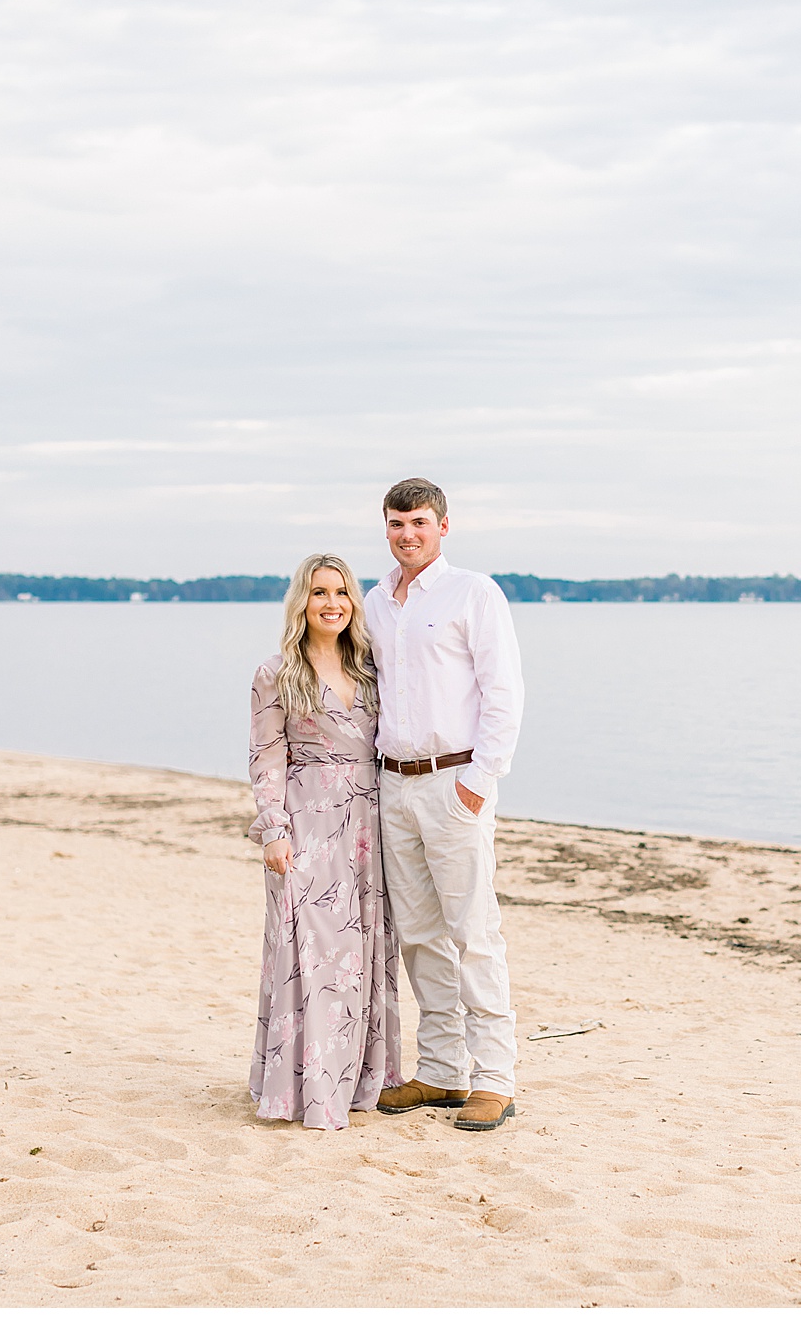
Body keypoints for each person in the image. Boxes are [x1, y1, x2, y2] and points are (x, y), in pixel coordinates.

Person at [366, 477, 525, 1132]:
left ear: (443, 527)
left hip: (453, 781)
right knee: (421, 934)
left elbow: (504, 692)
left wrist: (480, 782)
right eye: (398, 524)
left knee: (473, 931)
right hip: (393, 784)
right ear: (387, 528)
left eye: (420, 523)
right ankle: (440, 1072)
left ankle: (495, 1078)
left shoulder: (474, 593)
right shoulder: (376, 602)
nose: (409, 535)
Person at [247, 552, 402, 1130]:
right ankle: (301, 1089)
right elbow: (265, 756)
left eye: (341, 592)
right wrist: (274, 830)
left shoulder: (370, 669)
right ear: (301, 602)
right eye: (319, 593)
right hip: (306, 824)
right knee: (306, 953)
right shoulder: (276, 672)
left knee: (361, 954)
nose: (331, 602)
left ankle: (359, 1080)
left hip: (368, 823)